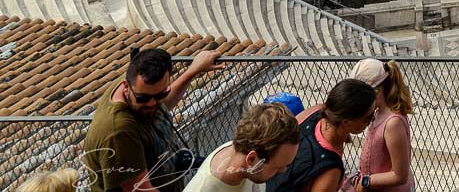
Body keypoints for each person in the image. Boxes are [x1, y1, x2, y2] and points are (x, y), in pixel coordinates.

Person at [82, 48, 225, 192]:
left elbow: (162, 104)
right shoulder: (119, 132)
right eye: (143, 98)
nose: (151, 103)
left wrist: (193, 71)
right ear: (126, 87)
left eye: (159, 95)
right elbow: (139, 189)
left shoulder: (136, 83)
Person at [266, 79, 377, 192]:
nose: (373, 118)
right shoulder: (330, 171)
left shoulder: (316, 111)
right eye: (368, 116)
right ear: (346, 122)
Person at [184, 103, 300, 191]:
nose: (283, 170)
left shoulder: (243, 150)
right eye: (277, 167)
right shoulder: (204, 188)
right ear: (251, 159)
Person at [341, 59, 415, 192]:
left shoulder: (393, 123)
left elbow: (400, 175)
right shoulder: (377, 113)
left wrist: (366, 181)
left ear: (376, 92)